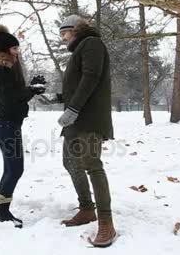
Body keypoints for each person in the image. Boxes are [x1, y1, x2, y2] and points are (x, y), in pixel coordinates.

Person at [57, 15, 117, 247]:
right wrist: (55, 98)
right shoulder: (79, 50)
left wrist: (72, 109)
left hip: (90, 119)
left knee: (92, 165)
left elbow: (91, 79)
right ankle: (86, 209)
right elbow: (77, 86)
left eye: (64, 33)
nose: (63, 39)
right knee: (70, 161)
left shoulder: (92, 43)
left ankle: (106, 222)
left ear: (74, 29)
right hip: (76, 120)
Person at [0, 24, 46, 228]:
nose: (17, 52)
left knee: (11, 169)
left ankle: (1, 211)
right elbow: (7, 99)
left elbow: (12, 95)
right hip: (6, 126)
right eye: (14, 49)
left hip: (8, 125)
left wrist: (32, 88)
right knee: (15, 169)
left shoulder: (6, 68)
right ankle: (1, 212)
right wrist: (30, 90)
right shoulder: (2, 69)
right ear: (5, 50)